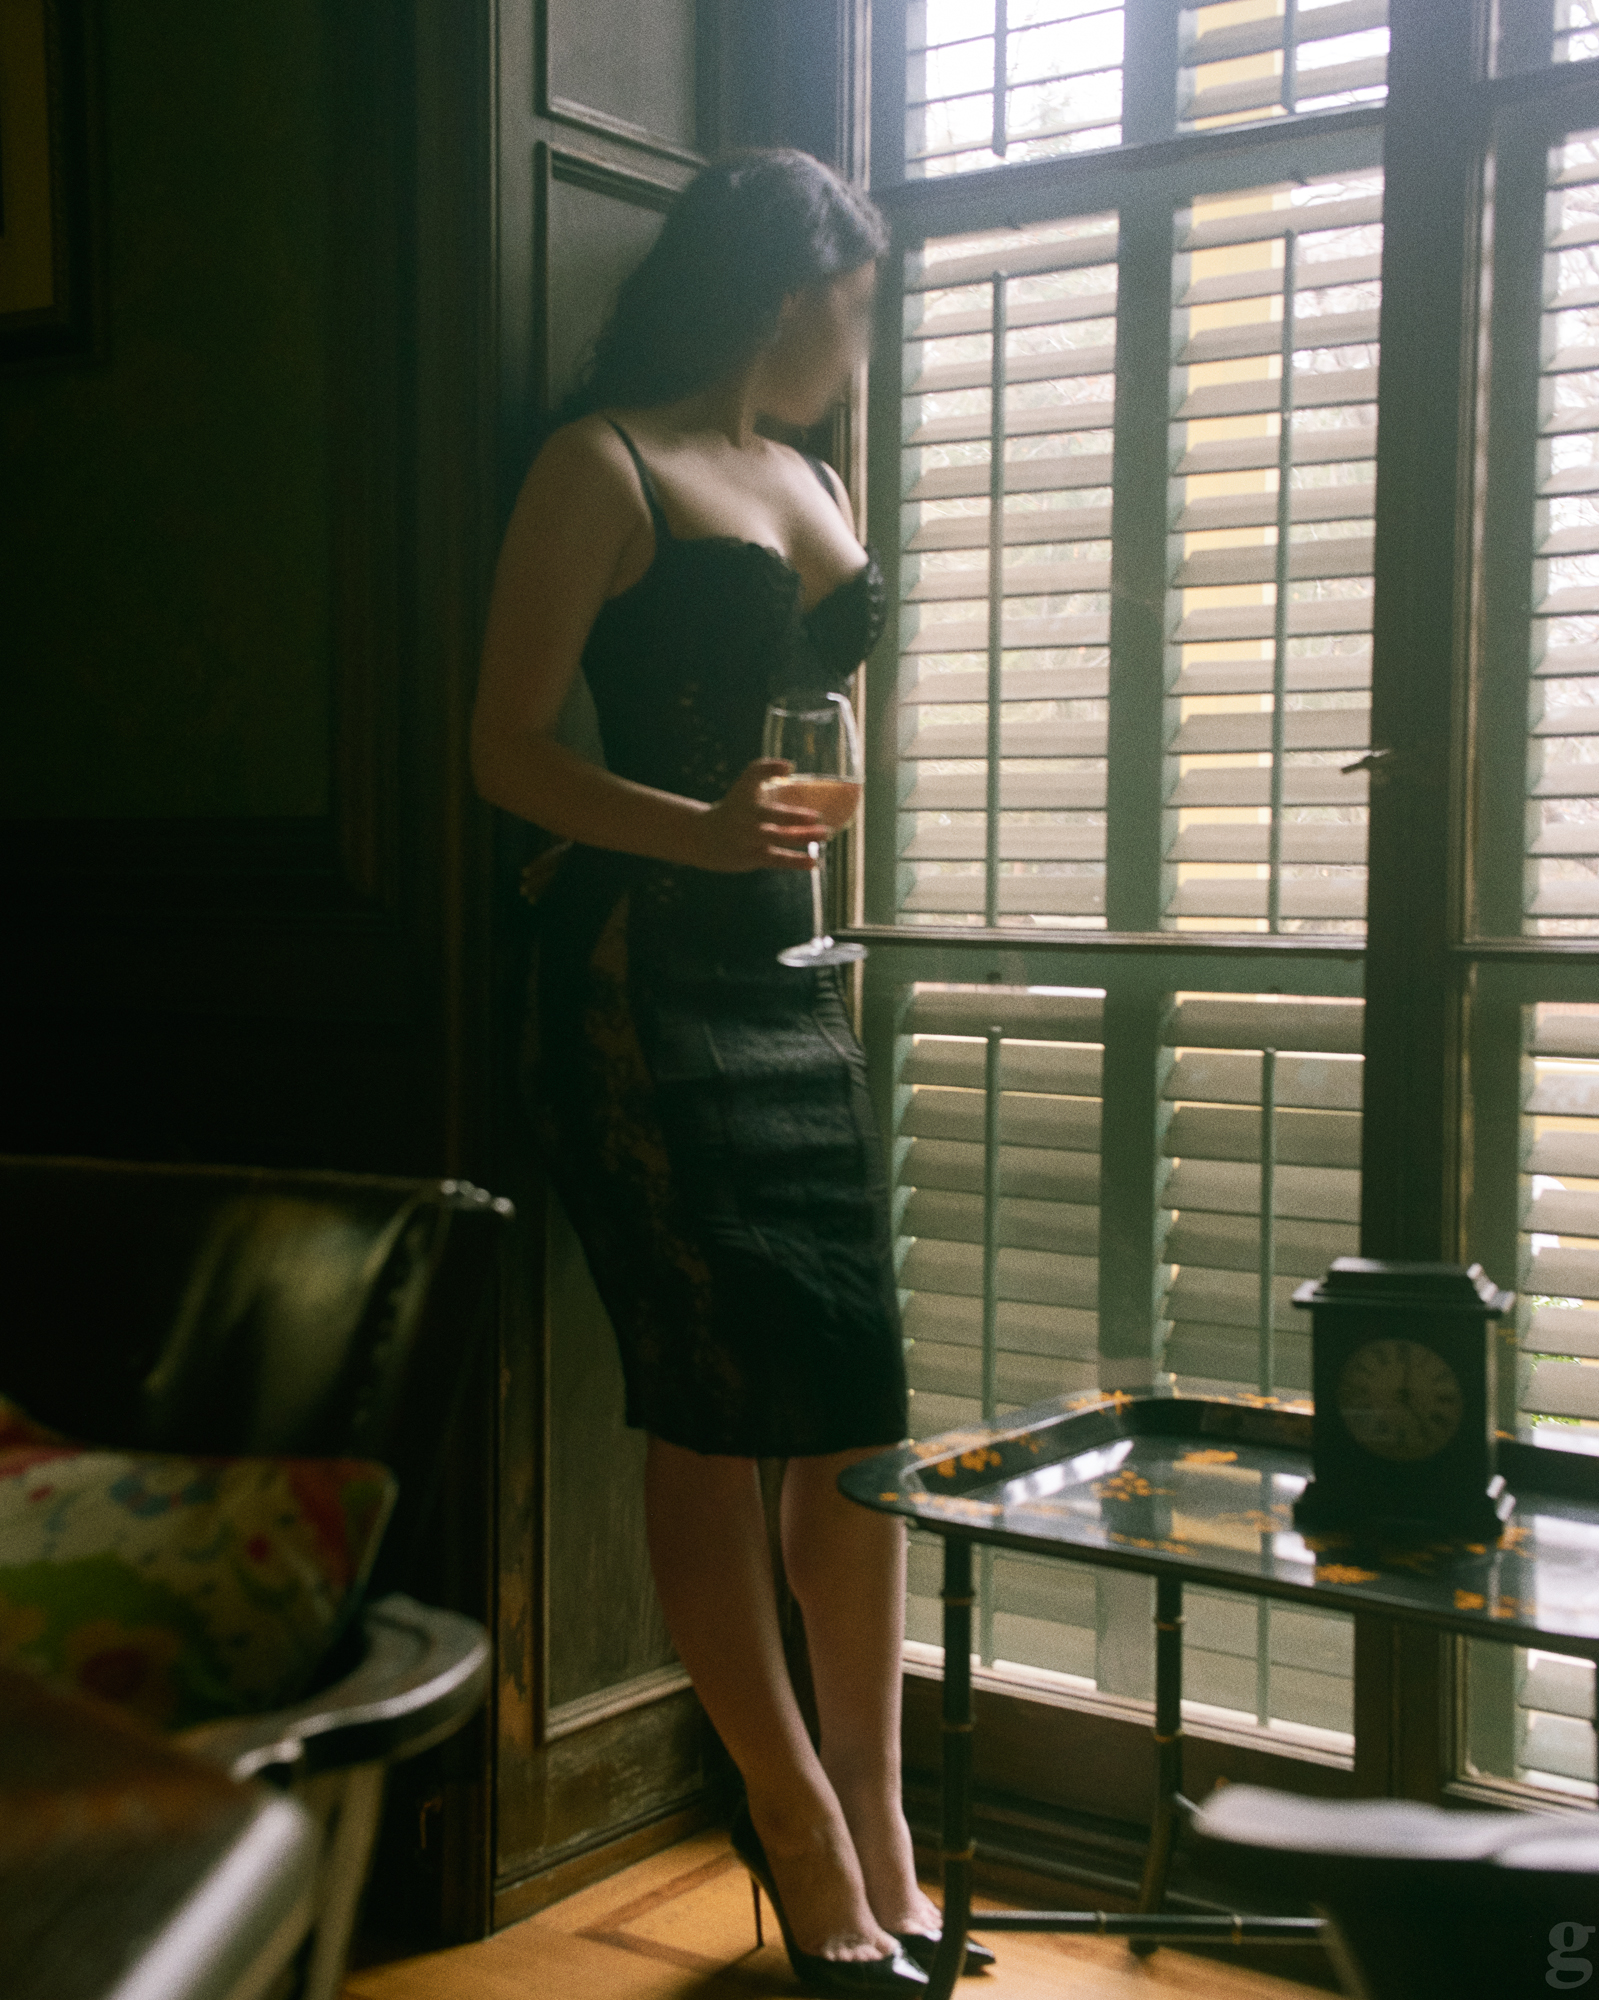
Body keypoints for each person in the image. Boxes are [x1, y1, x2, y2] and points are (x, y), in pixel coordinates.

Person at [471, 151, 991, 1993]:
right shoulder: (599, 464)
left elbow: (821, 718)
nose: (866, 342)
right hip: (638, 987)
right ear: (788, 294)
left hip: (791, 985)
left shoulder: (819, 478)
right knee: (711, 1411)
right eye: (859, 306)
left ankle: (886, 1832)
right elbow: (504, 750)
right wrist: (693, 834)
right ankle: (800, 1837)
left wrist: (782, 839)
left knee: (853, 1412)